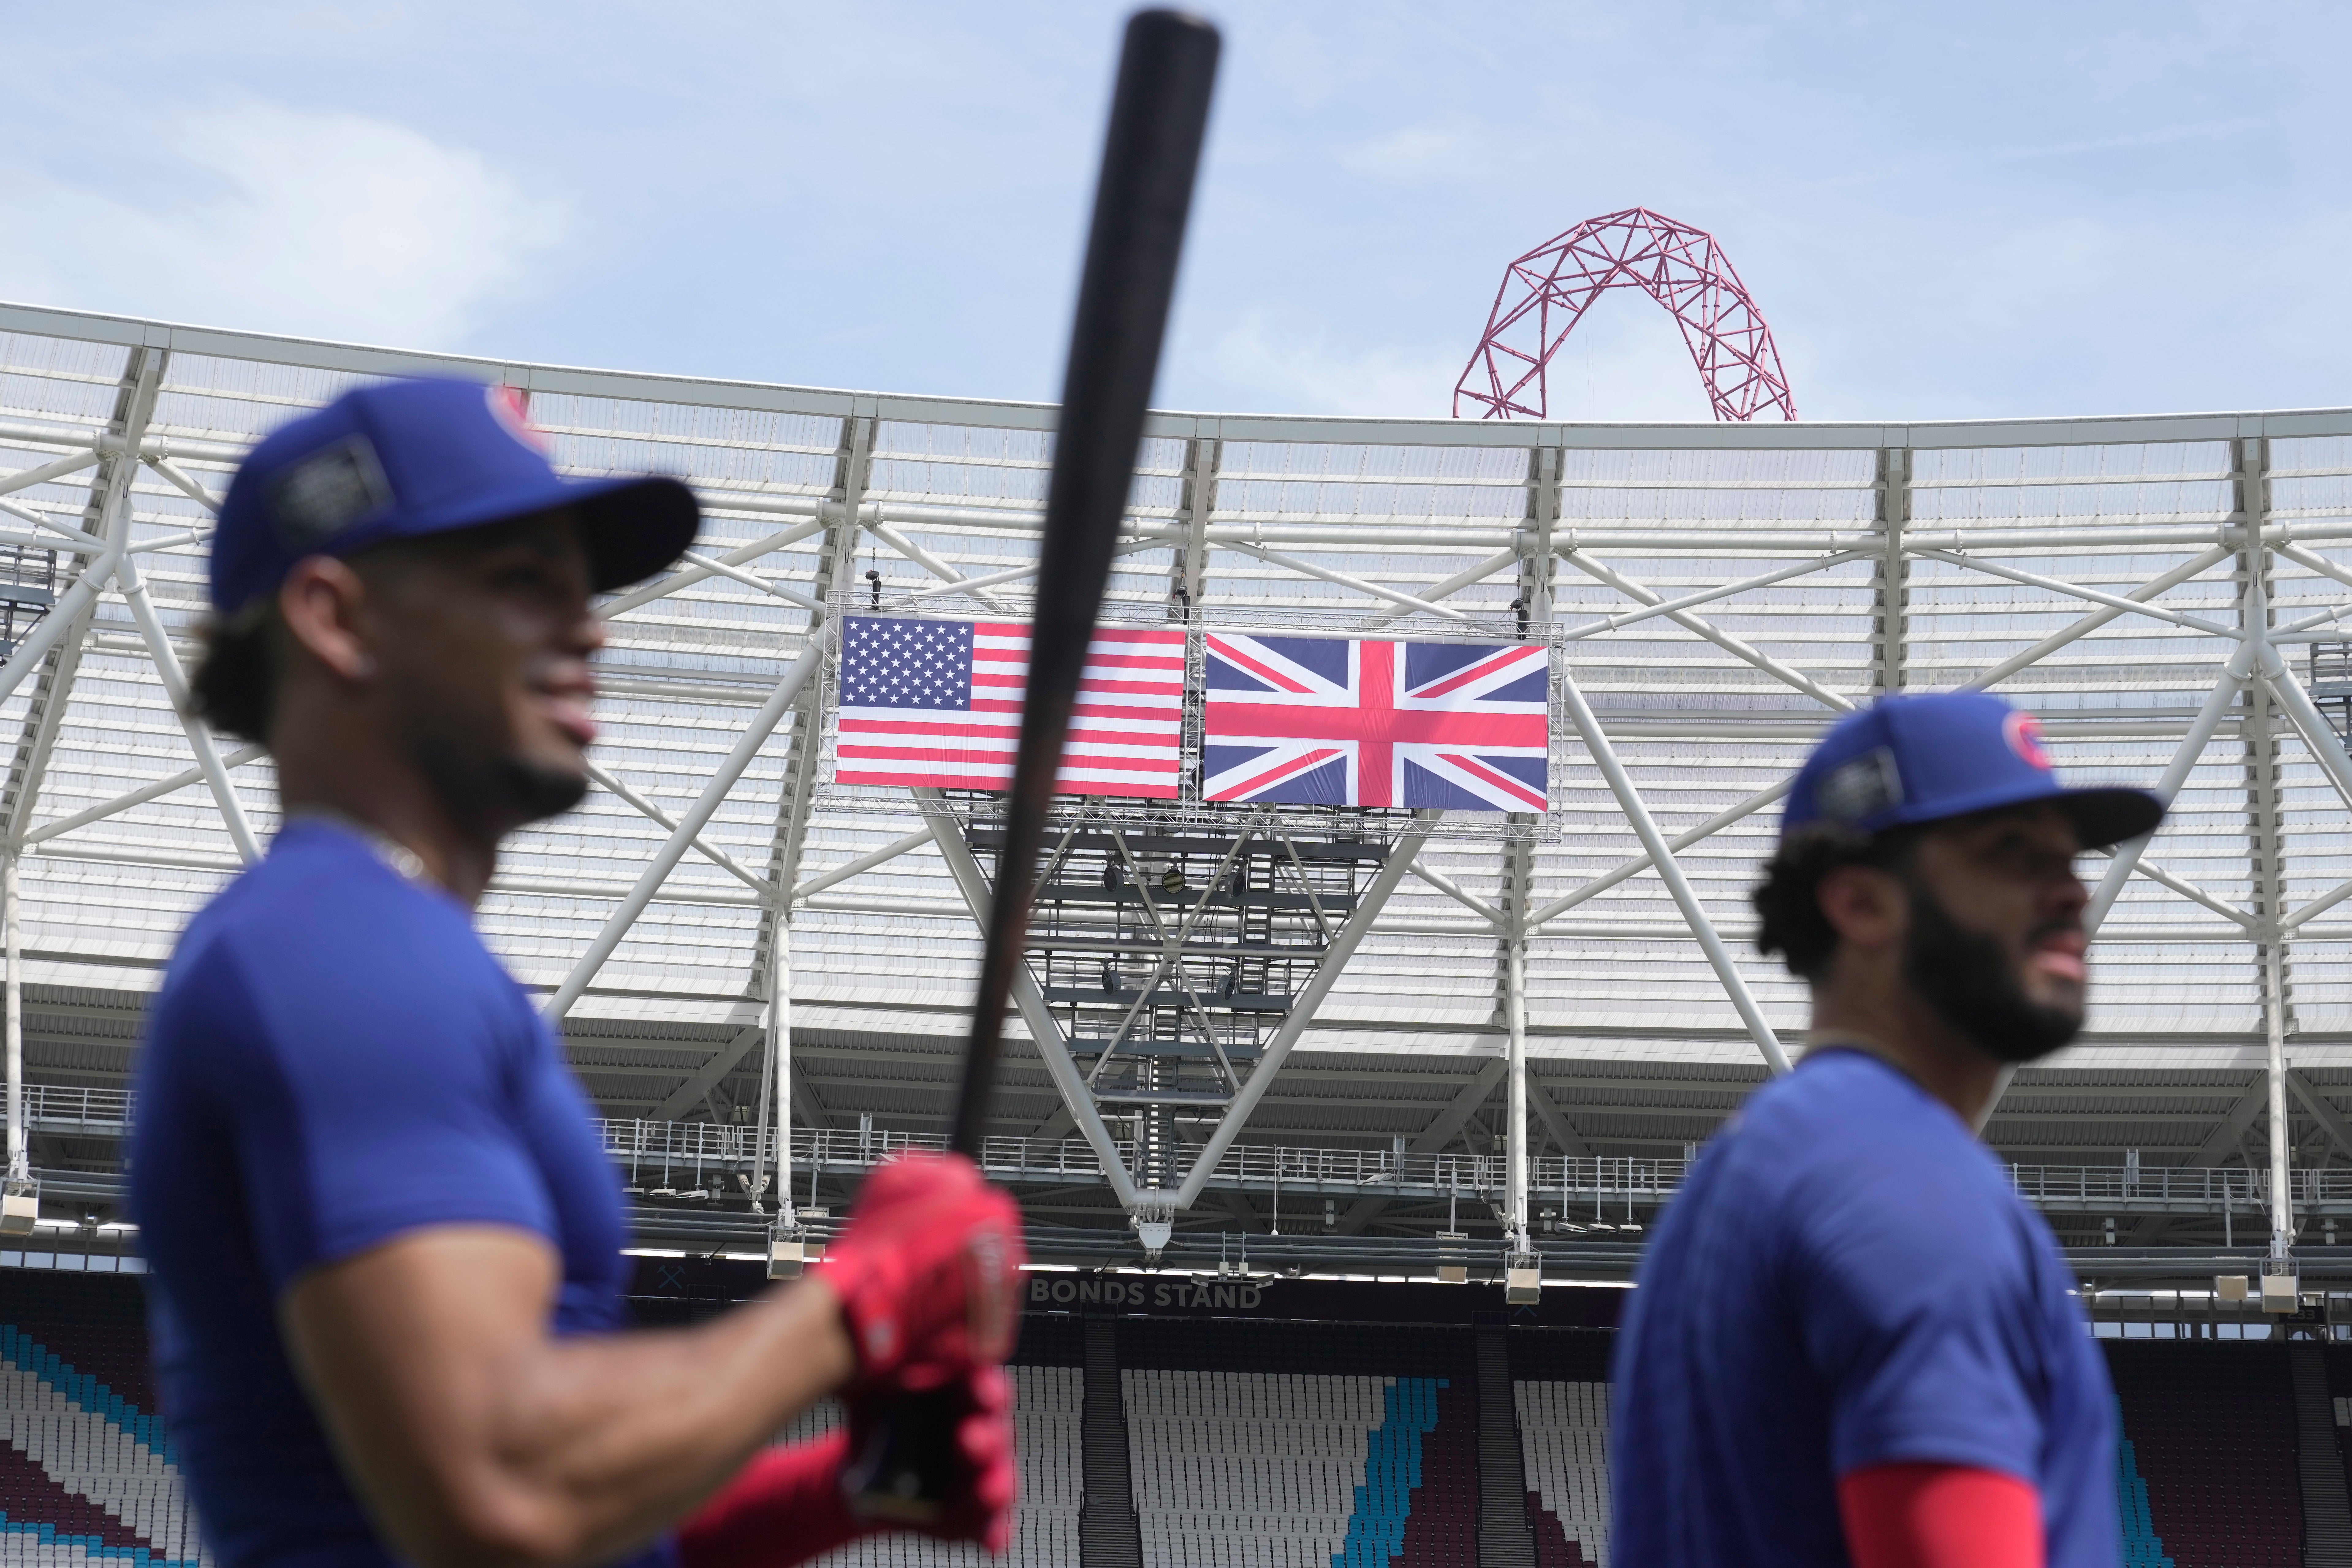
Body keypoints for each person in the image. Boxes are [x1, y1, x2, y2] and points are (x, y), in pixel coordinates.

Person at [128, 378, 1026, 1568]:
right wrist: (859, 1298)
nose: (593, 625)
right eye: (521, 581)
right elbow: (498, 1489)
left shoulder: (363, 943)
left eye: (586, 587)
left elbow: (509, 1521)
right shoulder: (343, 948)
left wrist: (841, 1491)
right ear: (338, 619)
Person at [1612, 690, 2164, 1568]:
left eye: (2072, 857)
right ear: (1861, 905)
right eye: (2011, 852)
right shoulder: (1905, 1180)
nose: (2070, 891)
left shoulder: (1759, 1165)